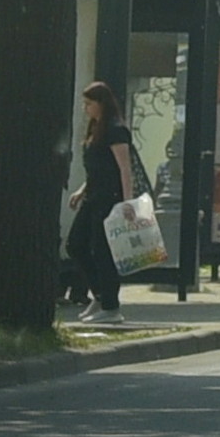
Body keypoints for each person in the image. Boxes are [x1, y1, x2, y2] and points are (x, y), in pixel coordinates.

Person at [62, 83, 149, 326]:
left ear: (101, 103)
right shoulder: (95, 129)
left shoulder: (115, 130)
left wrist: (127, 202)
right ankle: (100, 295)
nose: (85, 108)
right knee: (76, 244)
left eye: (89, 104)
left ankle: (111, 306)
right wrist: (81, 191)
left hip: (110, 199)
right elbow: (96, 169)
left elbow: (124, 168)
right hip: (93, 197)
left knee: (104, 252)